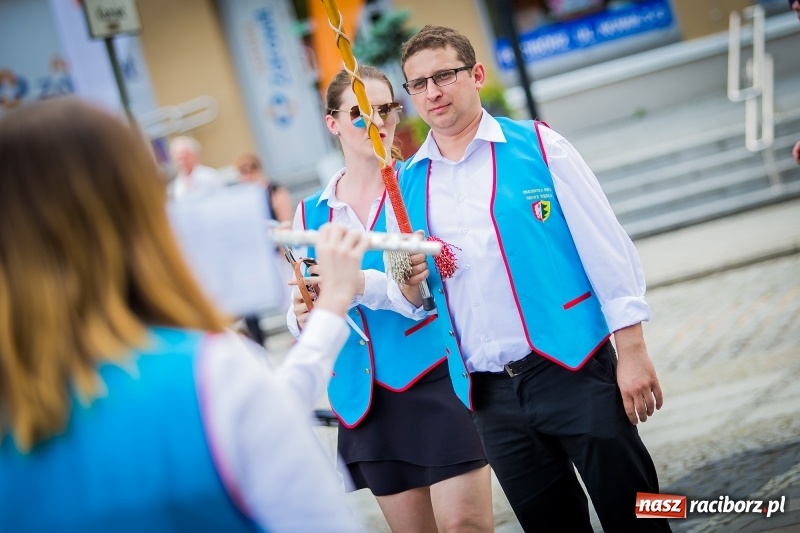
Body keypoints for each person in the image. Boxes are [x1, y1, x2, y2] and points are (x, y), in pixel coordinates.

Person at [0, 98, 371, 532]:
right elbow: (262, 422)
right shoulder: (212, 372)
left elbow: (266, 411)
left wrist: (328, 315)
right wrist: (331, 308)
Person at [389, 25, 671, 532]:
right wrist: (406, 285)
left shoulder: (539, 146)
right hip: (491, 399)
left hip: (573, 367)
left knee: (638, 514)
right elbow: (416, 297)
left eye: (444, 76)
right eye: (418, 83)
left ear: (475, 75)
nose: (432, 92)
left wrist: (632, 351)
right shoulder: (408, 182)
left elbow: (606, 248)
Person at [286, 66, 493, 533]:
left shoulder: (422, 187)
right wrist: (300, 314)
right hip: (366, 397)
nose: (375, 121)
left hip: (435, 378)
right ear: (332, 123)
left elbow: (432, 292)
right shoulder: (310, 213)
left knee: (465, 526)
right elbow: (307, 304)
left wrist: (357, 284)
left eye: (384, 109)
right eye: (359, 112)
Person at [234, 153, 294, 223]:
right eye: (244, 173)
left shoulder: (276, 192)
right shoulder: (241, 197)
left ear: (259, 170)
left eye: (252, 171)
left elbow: (286, 222)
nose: (248, 177)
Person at [169, 135, 223, 200]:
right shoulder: (177, 184)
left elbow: (221, 199)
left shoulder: (210, 176)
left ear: (195, 156)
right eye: (179, 159)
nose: (182, 162)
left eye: (185, 158)